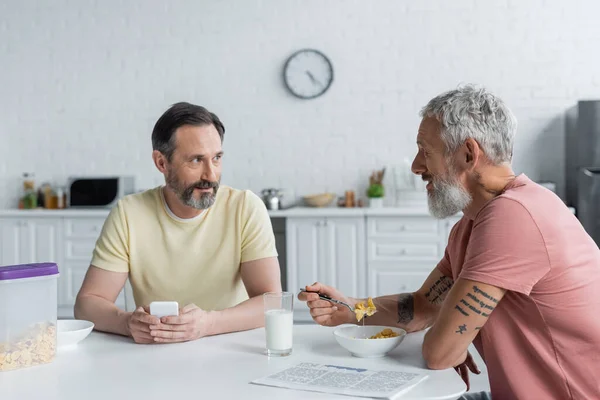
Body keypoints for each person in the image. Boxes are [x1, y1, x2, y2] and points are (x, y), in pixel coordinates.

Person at [299, 85, 600, 399]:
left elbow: (439, 353)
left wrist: (452, 342)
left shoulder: (515, 216)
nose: (416, 166)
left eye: (425, 150)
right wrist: (351, 309)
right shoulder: (471, 224)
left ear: (468, 153)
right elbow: (423, 305)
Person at [74, 102, 282, 344]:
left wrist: (208, 323)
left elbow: (272, 300)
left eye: (216, 158)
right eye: (196, 160)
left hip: (230, 347)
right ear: (161, 163)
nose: (211, 175)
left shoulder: (245, 207)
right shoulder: (129, 213)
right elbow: (87, 304)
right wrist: (126, 322)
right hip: (153, 352)